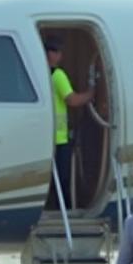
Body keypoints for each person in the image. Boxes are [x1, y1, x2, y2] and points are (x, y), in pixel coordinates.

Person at [44, 34, 93, 208]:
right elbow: (72, 100)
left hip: (46, 136)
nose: (59, 55)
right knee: (62, 178)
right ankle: (64, 208)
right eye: (56, 51)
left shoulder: (42, 74)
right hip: (59, 137)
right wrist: (90, 94)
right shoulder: (58, 75)